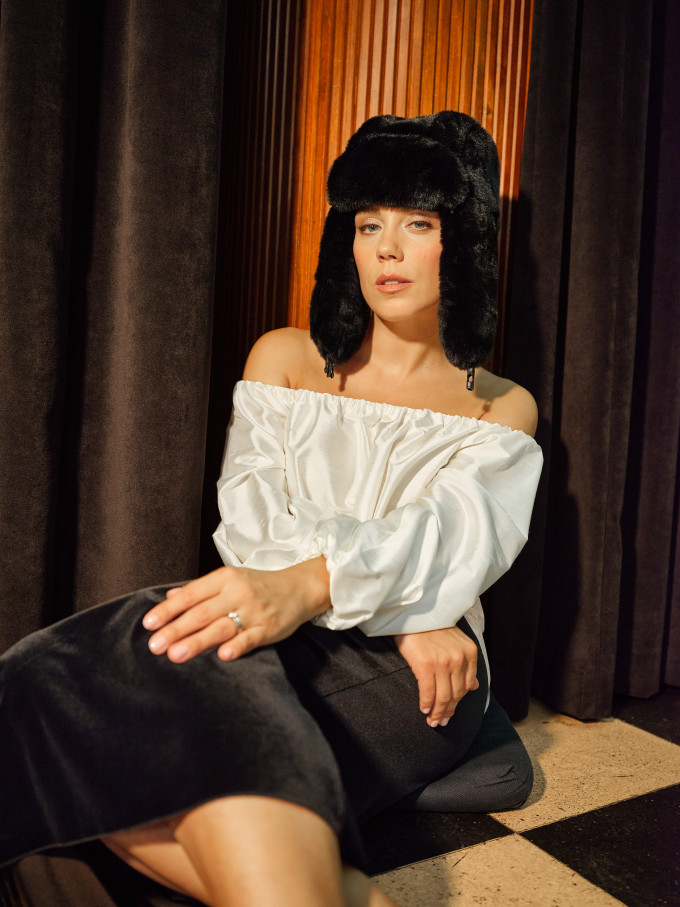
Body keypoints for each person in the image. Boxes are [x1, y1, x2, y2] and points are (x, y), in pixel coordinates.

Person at [0, 112, 542, 907]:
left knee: (112, 744)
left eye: (418, 223)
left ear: (462, 240)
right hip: (275, 616)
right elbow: (253, 527)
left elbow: (446, 540)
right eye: (368, 224)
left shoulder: (502, 406)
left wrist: (378, 604)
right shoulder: (284, 356)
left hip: (422, 666)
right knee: (46, 674)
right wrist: (391, 597)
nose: (387, 248)